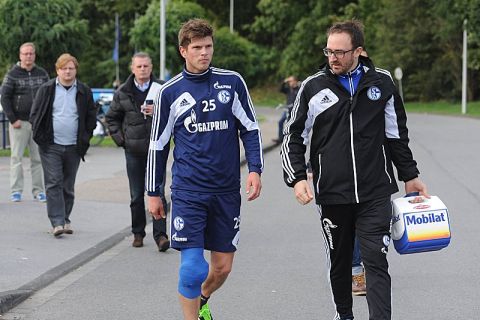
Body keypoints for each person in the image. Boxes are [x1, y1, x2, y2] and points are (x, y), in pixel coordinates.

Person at [281, 20, 428, 320]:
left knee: (375, 259)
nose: (332, 57)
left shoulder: (382, 83)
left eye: (340, 52)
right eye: (328, 51)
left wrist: (410, 175)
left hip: (375, 190)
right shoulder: (312, 88)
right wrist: (297, 178)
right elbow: (292, 136)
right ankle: (344, 315)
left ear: (358, 51)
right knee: (340, 260)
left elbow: (396, 135)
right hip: (333, 193)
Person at [146, 19, 263, 320]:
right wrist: (153, 192)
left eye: (208, 46)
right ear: (183, 50)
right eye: (197, 48)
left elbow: (250, 129)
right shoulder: (169, 92)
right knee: (192, 267)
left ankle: (202, 299)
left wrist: (255, 169)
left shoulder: (231, 82)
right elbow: (158, 146)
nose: (204, 53)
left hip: (226, 190)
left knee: (222, 268)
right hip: (188, 190)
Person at [106, 52, 170, 251]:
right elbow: (111, 118)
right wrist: (121, 140)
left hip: (156, 149)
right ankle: (138, 232)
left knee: (158, 192)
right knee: (136, 195)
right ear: (132, 69)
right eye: (139, 66)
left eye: (146, 66)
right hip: (133, 150)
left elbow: (174, 113)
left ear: (151, 68)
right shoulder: (123, 92)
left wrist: (159, 110)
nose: (143, 70)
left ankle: (160, 235)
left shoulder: (162, 89)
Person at [30, 53, 97, 237]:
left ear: (76, 70)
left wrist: (86, 136)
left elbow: (91, 116)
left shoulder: (83, 90)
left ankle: (65, 218)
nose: (67, 71)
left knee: (68, 185)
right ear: (57, 70)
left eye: (71, 68)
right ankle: (57, 222)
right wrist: (40, 137)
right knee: (54, 183)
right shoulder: (47, 89)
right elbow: (35, 114)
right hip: (51, 145)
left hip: (74, 146)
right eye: (64, 68)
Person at [1, 42, 49, 202]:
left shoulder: (42, 74)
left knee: (37, 159)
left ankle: (38, 191)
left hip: (38, 123)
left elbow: (49, 96)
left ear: (34, 55)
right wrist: (13, 119)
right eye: (25, 53)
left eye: (31, 53)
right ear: (20, 55)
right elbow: (5, 97)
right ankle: (16, 191)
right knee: (16, 158)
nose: (28, 56)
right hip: (19, 123)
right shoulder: (12, 74)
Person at [273, 75, 300, 143]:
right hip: (288, 109)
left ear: (295, 81)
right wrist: (284, 82)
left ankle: (293, 138)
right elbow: (280, 89)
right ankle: (280, 138)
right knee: (280, 122)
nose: (290, 83)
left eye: (291, 81)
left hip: (295, 111)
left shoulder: (299, 89)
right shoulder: (288, 89)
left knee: (292, 124)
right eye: (289, 81)